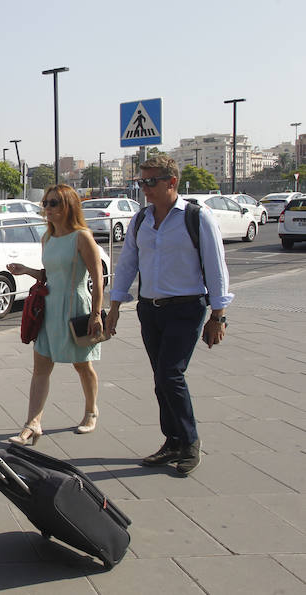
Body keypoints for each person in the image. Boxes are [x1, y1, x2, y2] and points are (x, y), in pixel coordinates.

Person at [105, 155, 231, 476]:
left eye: (150, 182)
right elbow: (128, 265)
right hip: (151, 310)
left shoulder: (197, 218)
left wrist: (218, 315)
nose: (144, 188)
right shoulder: (141, 219)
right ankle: (172, 440)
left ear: (171, 182)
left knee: (170, 375)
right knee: (160, 379)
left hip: (186, 309)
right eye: (141, 182)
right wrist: (115, 308)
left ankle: (189, 442)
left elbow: (216, 269)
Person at [6, 184, 104, 445]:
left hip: (75, 308)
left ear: (68, 206)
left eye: (53, 203)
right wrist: (26, 270)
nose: (47, 208)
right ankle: (32, 424)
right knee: (41, 368)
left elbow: (98, 278)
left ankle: (91, 411)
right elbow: (49, 275)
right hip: (49, 309)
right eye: (46, 203)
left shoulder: (82, 237)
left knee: (82, 365)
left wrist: (96, 315)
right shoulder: (47, 238)